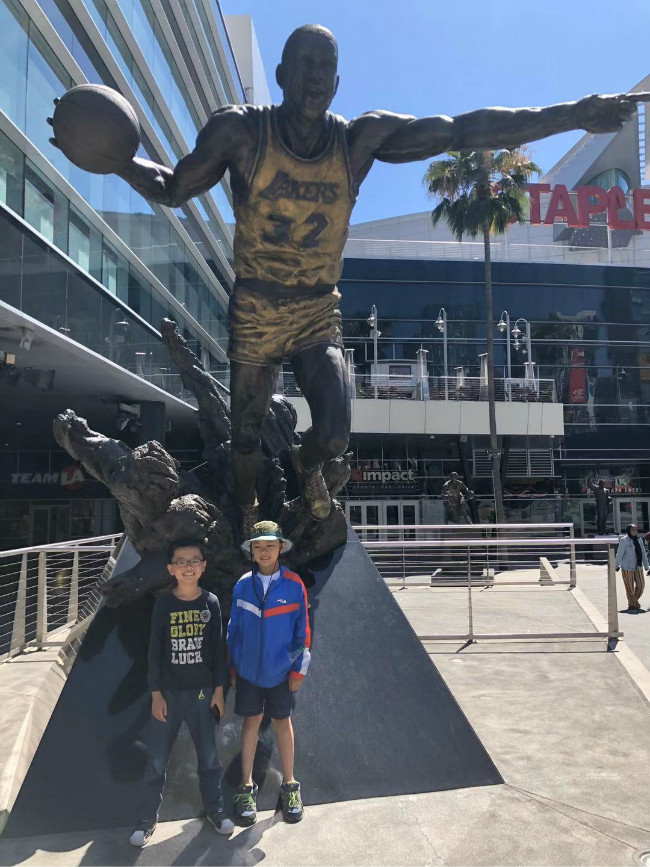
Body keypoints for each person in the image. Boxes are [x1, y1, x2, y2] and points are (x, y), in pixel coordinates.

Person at [96, 24, 646, 540]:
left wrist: (575, 113)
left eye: (326, 66)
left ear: (337, 84)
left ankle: (305, 464)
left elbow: (464, 129)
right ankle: (246, 512)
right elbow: (173, 188)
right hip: (257, 307)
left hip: (316, 310)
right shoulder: (240, 132)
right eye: (306, 63)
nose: (315, 75)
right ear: (283, 74)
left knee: (335, 433)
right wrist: (117, 159)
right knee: (243, 435)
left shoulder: (357, 141)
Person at [129, 538, 234, 847]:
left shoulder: (211, 603)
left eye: (194, 561)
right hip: (169, 696)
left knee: (209, 758)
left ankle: (215, 810)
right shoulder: (164, 603)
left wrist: (219, 690)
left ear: (203, 566)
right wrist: (156, 694)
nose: (188, 567)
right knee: (156, 761)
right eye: (182, 562)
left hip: (202, 694)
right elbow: (154, 652)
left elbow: (218, 651)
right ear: (171, 569)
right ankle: (148, 818)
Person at [227, 521, 310, 825]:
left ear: (280, 548)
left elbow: (302, 632)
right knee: (250, 722)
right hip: (249, 672)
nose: (264, 551)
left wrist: (297, 668)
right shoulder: (242, 586)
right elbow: (233, 630)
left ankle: (290, 784)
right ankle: (246, 786)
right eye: (258, 546)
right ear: (251, 550)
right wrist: (234, 665)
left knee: (282, 723)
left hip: (280, 673)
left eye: (270, 546)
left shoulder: (294, 585)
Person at [615, 524, 650, 612]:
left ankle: (633, 602)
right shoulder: (624, 540)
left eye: (636, 530)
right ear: (628, 531)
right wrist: (616, 565)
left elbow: (643, 554)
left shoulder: (639, 540)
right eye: (633, 530)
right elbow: (619, 554)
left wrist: (647, 567)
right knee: (629, 588)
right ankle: (633, 605)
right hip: (627, 567)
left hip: (638, 566)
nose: (635, 531)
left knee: (641, 585)